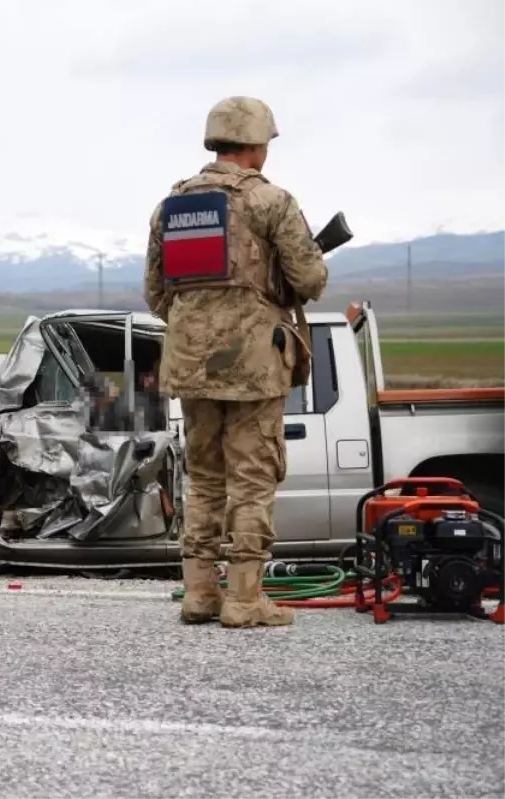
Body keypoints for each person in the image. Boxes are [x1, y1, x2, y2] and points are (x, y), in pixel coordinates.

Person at [143, 97, 329, 628]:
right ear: (256, 144)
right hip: (252, 365)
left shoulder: (171, 207)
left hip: (190, 362)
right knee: (251, 479)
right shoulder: (271, 202)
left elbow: (157, 294)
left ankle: (199, 594)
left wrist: (202, 321)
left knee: (203, 478)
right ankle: (246, 600)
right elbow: (311, 281)